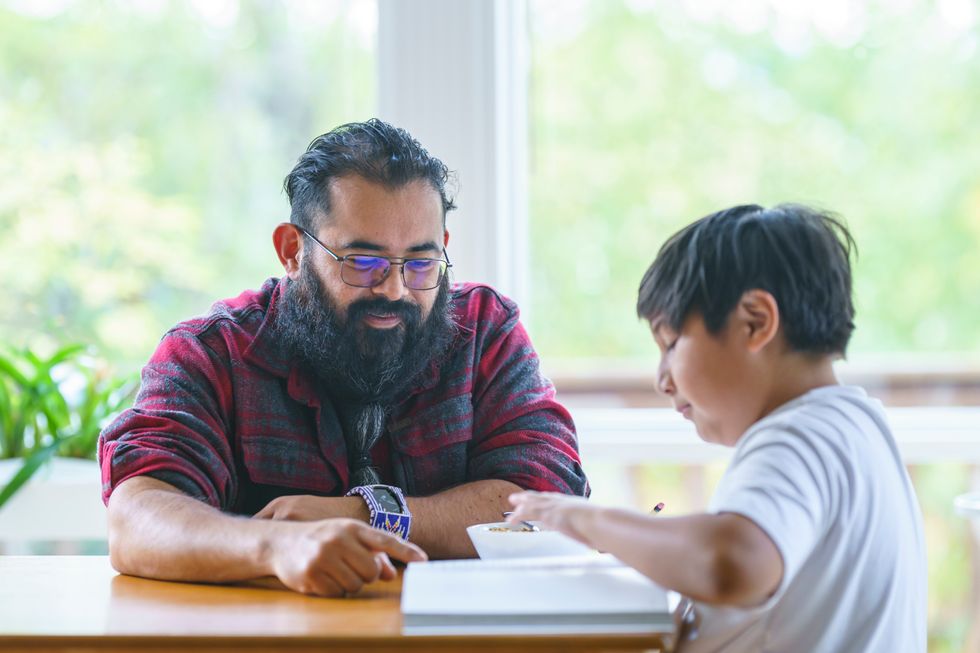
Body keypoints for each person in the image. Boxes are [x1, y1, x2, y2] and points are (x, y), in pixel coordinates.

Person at [99, 119, 589, 597]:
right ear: (292, 251)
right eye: (363, 262)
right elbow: (137, 519)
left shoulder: (484, 332)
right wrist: (276, 545)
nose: (395, 289)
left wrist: (363, 514)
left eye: (420, 263)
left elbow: (550, 506)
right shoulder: (212, 353)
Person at [507, 204, 926, 652]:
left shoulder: (797, 435)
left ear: (755, 322)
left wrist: (586, 519)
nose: (661, 380)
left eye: (670, 345)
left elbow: (731, 562)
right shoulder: (855, 426)